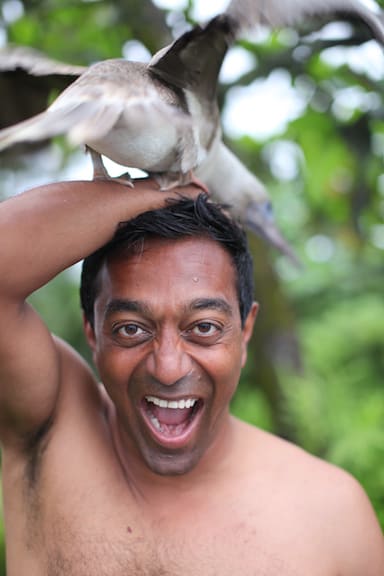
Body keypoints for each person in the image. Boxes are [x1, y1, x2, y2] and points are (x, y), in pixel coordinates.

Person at [0, 178, 383, 576]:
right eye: (131, 329)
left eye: (203, 327)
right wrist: (163, 192)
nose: (168, 368)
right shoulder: (49, 426)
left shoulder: (334, 517)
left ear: (245, 330)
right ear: (93, 333)